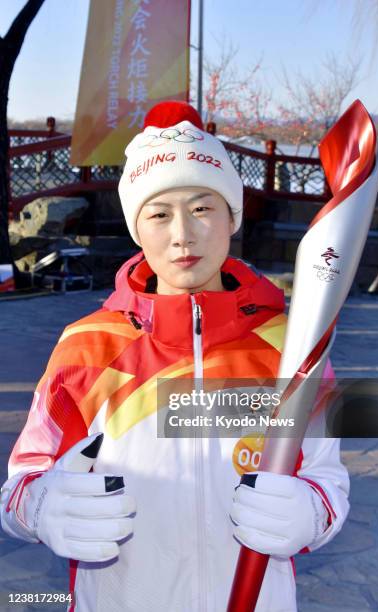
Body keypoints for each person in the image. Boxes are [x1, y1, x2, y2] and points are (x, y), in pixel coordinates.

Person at [0, 101, 350, 612]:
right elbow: (19, 485)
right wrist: (41, 506)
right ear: (137, 230)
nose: (183, 234)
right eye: (159, 214)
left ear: (231, 218)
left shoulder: (289, 348)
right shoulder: (88, 346)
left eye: (202, 208)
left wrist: (312, 513)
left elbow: (329, 480)